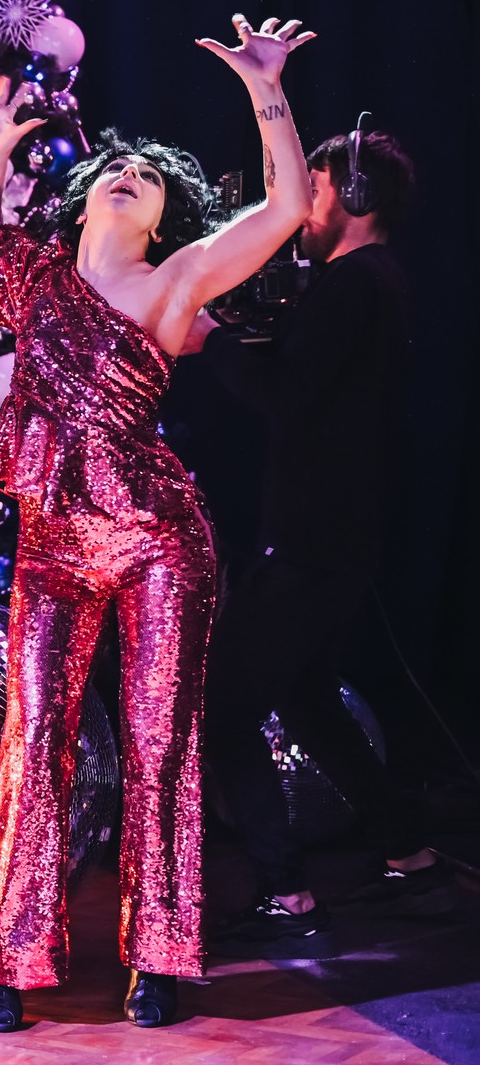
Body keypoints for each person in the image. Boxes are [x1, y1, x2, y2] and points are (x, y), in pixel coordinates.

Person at [0, 14, 316, 1031]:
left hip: (156, 537)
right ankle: (8, 958)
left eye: (149, 177)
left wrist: (266, 88)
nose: (127, 176)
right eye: (116, 168)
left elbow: (288, 206)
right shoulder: (36, 279)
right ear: (85, 198)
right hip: (53, 542)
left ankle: (158, 955)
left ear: (163, 218)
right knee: (34, 735)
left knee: (161, 742)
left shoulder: (177, 278)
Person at [187, 128, 448, 957]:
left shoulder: (351, 285)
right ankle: (411, 854)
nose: (303, 210)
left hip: (310, 538)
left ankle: (287, 892)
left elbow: (287, 394)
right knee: (305, 698)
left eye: (320, 190)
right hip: (340, 535)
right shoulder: (377, 281)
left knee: (223, 707)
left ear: (356, 199)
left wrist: (211, 340)